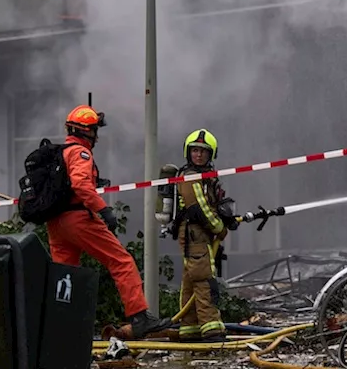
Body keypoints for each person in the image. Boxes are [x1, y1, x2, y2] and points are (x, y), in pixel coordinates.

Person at [47, 105, 169, 337]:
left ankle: (62, 329)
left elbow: (71, 183)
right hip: (78, 219)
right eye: (94, 130)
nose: (96, 136)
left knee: (65, 276)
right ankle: (140, 317)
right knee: (121, 261)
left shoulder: (60, 153)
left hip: (56, 224)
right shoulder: (81, 153)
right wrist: (104, 210)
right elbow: (80, 185)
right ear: (86, 131)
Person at [172, 128, 237, 342]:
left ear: (211, 154)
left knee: (191, 279)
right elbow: (199, 208)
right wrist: (220, 228)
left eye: (203, 151)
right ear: (187, 152)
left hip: (197, 233)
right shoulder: (190, 177)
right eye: (195, 151)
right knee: (204, 279)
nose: (198, 155)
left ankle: (189, 328)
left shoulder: (206, 177)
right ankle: (211, 328)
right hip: (195, 233)